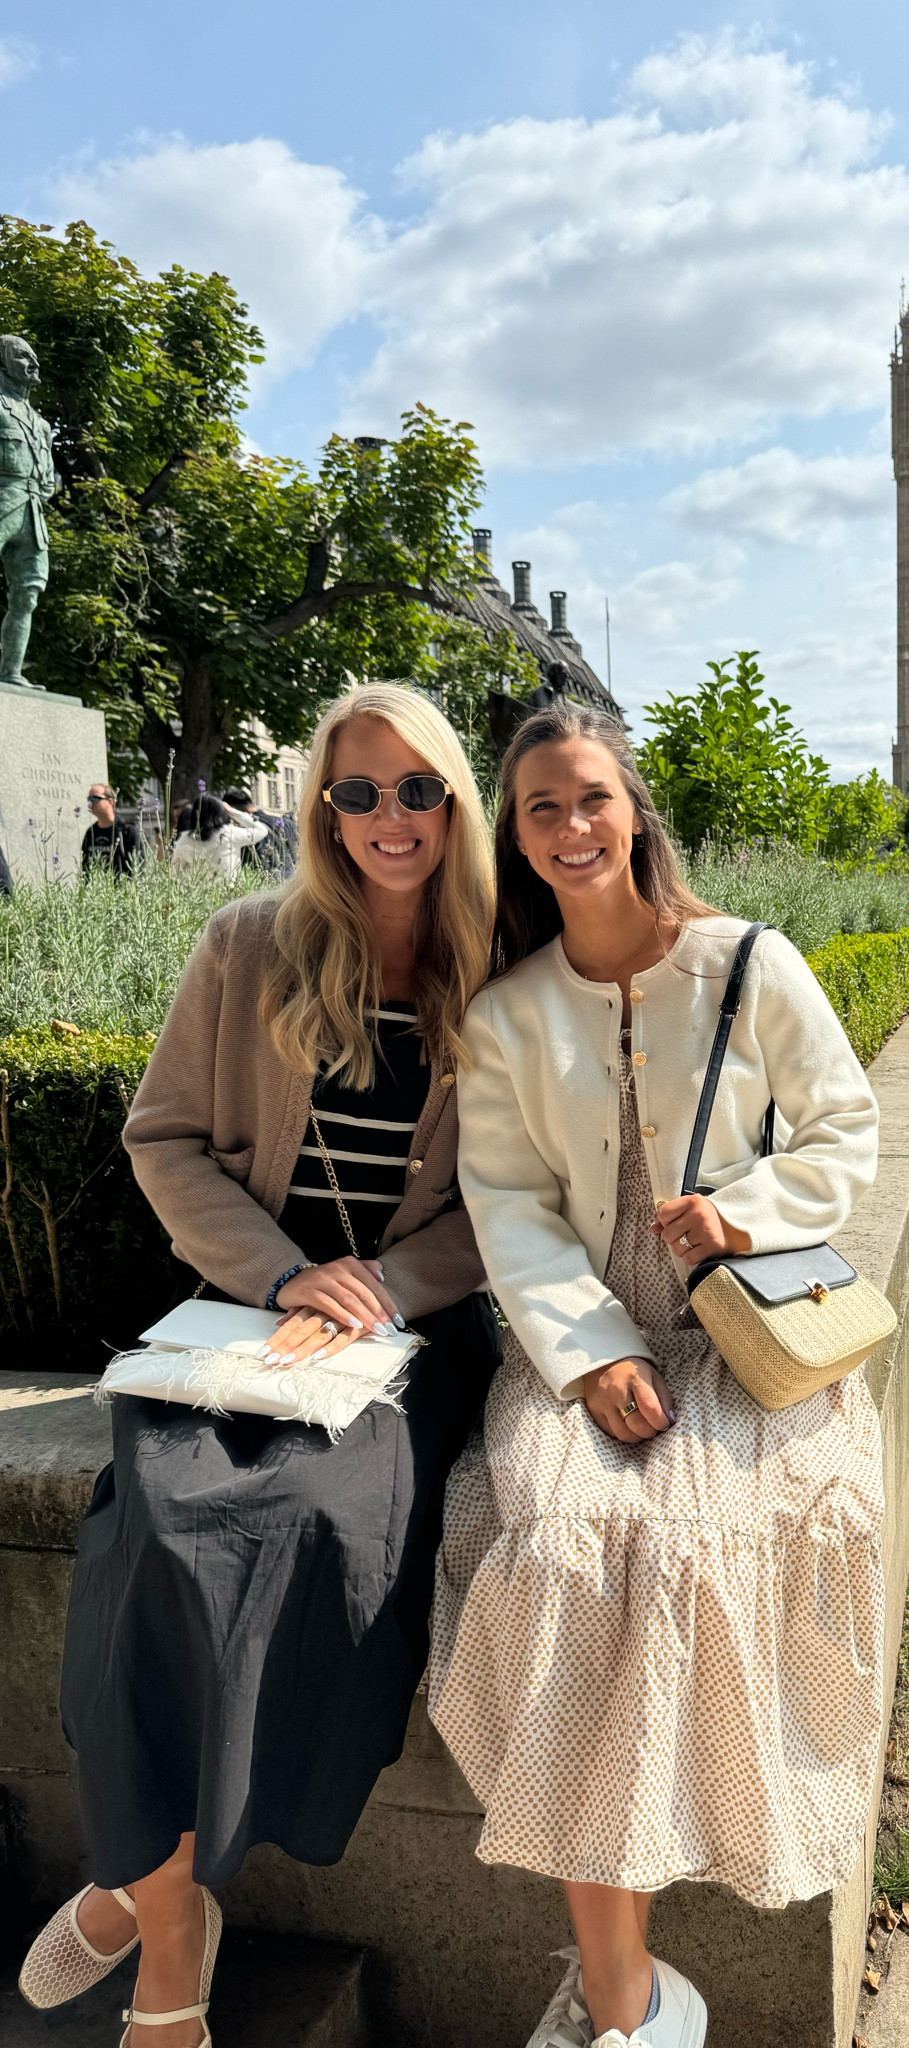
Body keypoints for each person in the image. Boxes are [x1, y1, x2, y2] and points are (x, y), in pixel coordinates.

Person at [24, 684, 499, 2045]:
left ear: (455, 803)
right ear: (319, 809)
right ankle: (172, 1922)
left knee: (311, 1526)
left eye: (417, 790)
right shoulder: (250, 945)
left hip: (409, 1348)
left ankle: (130, 1894)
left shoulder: (504, 975)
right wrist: (283, 1274)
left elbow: (527, 1199)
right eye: (356, 793)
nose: (388, 819)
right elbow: (163, 1138)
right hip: (240, 1325)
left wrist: (389, 1290)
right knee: (155, 1527)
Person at [428, 701, 884, 2048]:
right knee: (569, 1553)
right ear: (516, 840)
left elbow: (846, 1127)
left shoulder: (749, 962)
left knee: (710, 1544)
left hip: (743, 1331)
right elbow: (508, 1206)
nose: (571, 829)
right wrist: (592, 1356)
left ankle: (618, 1999)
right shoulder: (507, 1016)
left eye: (590, 800)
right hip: (579, 1346)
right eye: (541, 811)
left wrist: (744, 1210)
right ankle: (624, 1997)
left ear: (635, 808)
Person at [171, 793, 269, 879]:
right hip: (229, 892)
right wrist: (232, 811)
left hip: (200, 895)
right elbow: (262, 830)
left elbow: (174, 873)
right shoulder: (230, 834)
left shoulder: (185, 839)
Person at [80, 783, 140, 877]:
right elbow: (85, 866)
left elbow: (138, 867)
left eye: (95, 798)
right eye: (89, 799)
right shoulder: (90, 833)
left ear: (110, 801)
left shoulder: (127, 831)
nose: (91, 803)